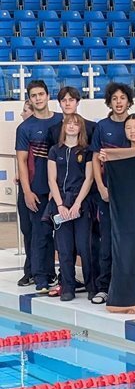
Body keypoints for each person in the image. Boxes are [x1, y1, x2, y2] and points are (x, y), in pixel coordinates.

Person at [15, 80, 62, 293]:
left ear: (47, 95)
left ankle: (59, 275)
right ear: (30, 99)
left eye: (41, 94)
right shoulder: (25, 128)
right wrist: (27, 191)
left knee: (62, 235)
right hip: (38, 190)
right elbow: (22, 162)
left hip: (62, 191)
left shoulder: (63, 121)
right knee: (39, 235)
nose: (38, 98)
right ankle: (41, 277)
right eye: (33, 95)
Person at [90, 82, 133, 305]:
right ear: (110, 101)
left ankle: (127, 286)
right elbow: (95, 159)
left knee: (128, 242)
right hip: (106, 194)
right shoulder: (102, 126)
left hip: (129, 196)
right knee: (106, 242)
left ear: (128, 101)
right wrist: (101, 187)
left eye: (122, 98)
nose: (118, 102)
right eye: (114, 98)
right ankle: (104, 287)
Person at [46, 114, 94, 301]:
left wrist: (77, 204)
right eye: (69, 123)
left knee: (84, 246)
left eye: (76, 124)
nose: (72, 127)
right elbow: (52, 179)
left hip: (80, 203)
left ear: (81, 128)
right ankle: (68, 286)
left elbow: (89, 178)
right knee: (64, 248)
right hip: (61, 204)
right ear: (63, 127)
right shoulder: (54, 150)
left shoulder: (87, 151)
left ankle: (91, 285)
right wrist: (60, 205)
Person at [16, 100, 34, 287]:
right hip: (25, 187)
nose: (22, 114)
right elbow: (22, 160)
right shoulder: (23, 132)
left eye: (24, 110)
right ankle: (30, 269)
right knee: (27, 231)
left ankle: (35, 270)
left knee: (39, 233)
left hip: (40, 188)